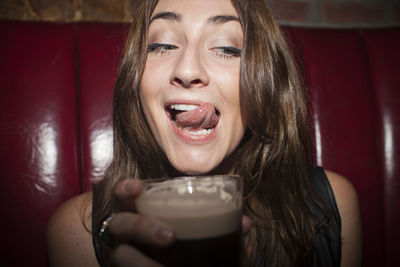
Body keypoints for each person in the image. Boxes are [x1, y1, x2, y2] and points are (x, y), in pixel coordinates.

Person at [46, 0, 362, 266]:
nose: (187, 70)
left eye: (225, 47)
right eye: (163, 45)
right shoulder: (78, 232)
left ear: (265, 80)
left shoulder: (330, 206)